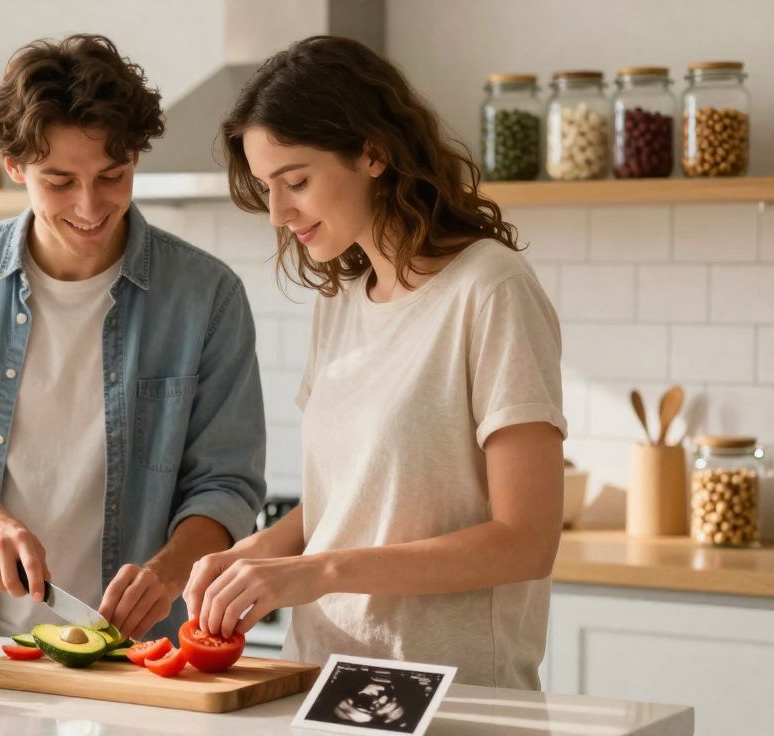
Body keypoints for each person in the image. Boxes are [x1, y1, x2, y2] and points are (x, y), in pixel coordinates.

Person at [182, 36, 566, 689]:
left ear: (373, 152)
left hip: (453, 694)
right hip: (323, 680)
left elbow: (525, 541)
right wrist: (256, 554)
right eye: (267, 188)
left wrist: (319, 570)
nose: (278, 214)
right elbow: (349, 498)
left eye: (296, 181)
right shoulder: (342, 301)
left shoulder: (490, 290)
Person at [0, 34, 266, 641]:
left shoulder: (207, 297)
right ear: (15, 167)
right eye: (58, 181)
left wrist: (168, 570)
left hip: (140, 652)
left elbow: (228, 484)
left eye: (112, 175)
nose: (90, 205)